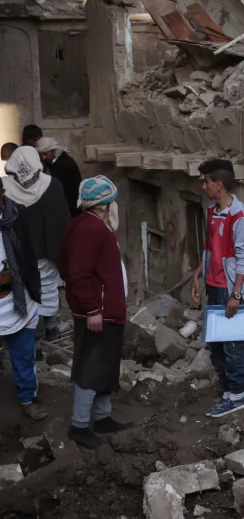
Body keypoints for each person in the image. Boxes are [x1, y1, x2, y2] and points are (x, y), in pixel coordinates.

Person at [57, 176, 132, 449]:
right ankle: (79, 425)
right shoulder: (90, 229)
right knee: (92, 367)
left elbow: (65, 265)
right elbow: (77, 273)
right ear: (105, 205)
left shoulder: (85, 225)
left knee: (106, 365)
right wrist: (92, 308)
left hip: (107, 311)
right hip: (99, 313)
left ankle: (102, 418)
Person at [192, 160, 244, 417]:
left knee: (231, 344)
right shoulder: (211, 209)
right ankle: (228, 390)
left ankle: (238, 395)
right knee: (216, 344)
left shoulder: (239, 215)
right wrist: (198, 274)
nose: (203, 185)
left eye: (206, 181)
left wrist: (236, 295)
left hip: (228, 289)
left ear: (219, 184)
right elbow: (210, 248)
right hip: (213, 285)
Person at [2, 147, 71, 344]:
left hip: (15, 253)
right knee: (48, 287)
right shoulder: (53, 185)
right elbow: (63, 221)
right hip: (46, 251)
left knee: (23, 290)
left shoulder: (5, 188)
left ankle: (31, 338)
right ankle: (50, 326)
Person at [0, 178, 47, 421]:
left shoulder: (17, 219)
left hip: (17, 298)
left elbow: (30, 255)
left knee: (24, 354)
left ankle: (27, 398)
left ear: (2, 194)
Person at [36, 137, 83, 218]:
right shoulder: (52, 162)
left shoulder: (66, 164)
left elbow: (70, 193)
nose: (43, 157)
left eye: (44, 154)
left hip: (69, 209)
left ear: (52, 151)